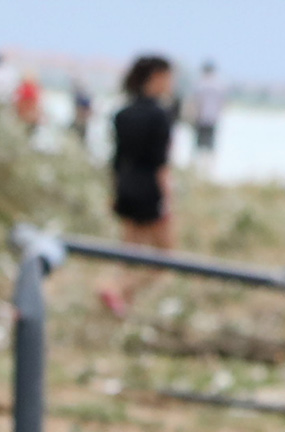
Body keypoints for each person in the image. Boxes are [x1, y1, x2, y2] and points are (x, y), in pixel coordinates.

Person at [102, 54, 177, 314]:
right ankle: (116, 289)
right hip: (149, 190)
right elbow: (160, 163)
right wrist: (167, 198)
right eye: (169, 78)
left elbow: (116, 159)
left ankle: (122, 305)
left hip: (125, 187)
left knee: (129, 252)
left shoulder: (122, 113)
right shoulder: (160, 115)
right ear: (156, 78)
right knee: (164, 260)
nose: (171, 84)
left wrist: (113, 191)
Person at [192, 58, 225, 161]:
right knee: (210, 145)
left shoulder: (200, 84)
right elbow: (222, 103)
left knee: (199, 145)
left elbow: (195, 102)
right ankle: (208, 166)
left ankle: (196, 166)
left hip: (201, 117)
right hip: (213, 118)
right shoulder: (219, 85)